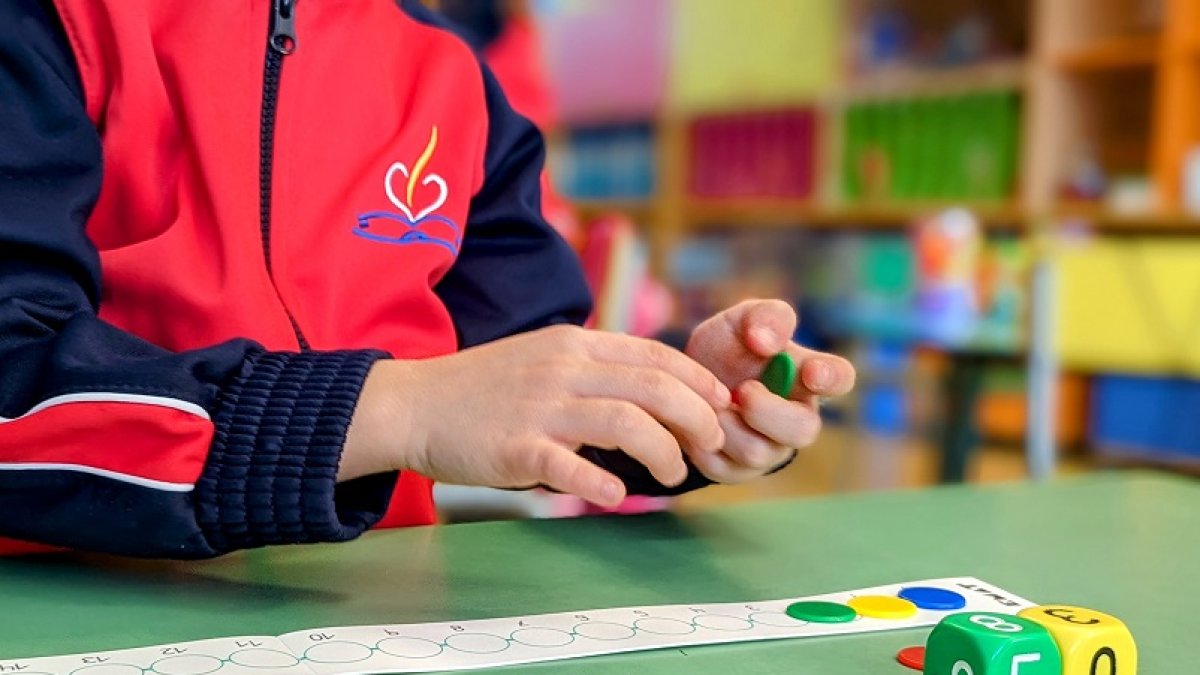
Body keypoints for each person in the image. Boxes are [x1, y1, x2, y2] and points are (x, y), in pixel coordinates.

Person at [0, 0, 855, 559]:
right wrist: (394, 408)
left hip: (381, 613)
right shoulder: (50, 20)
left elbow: (524, 373)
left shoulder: (449, 74)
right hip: (77, 604)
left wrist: (688, 403)